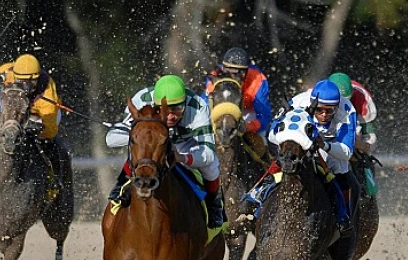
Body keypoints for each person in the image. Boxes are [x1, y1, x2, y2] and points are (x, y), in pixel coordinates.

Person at [105, 74, 224, 228]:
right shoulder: (142, 100)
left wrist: (182, 158)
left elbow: (207, 154)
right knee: (140, 151)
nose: (170, 116)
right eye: (164, 110)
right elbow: (111, 139)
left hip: (184, 143)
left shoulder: (198, 106)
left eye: (177, 109)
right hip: (152, 142)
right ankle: (120, 189)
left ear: (185, 104)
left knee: (211, 165)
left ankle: (214, 204)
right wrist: (143, 134)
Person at [252, 78, 357, 234]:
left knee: (342, 173)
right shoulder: (297, 102)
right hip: (298, 144)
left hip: (329, 145)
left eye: (330, 111)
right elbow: (272, 133)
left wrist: (324, 145)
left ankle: (343, 217)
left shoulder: (348, 110)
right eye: (320, 109)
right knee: (280, 164)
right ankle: (256, 197)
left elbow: (347, 152)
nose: (324, 115)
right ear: (313, 103)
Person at [0, 53, 71, 188]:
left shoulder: (47, 89)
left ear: (37, 79)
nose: (25, 87)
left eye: (30, 83)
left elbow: (50, 129)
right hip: (16, 111)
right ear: (14, 75)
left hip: (39, 114)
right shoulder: (5, 72)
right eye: (20, 82)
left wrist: (36, 129)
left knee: (49, 141)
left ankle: (54, 177)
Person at [204, 47, 271, 158]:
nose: (231, 77)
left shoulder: (258, 80)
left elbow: (265, 116)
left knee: (262, 142)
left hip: (248, 112)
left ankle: (268, 169)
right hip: (220, 113)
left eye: (235, 73)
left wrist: (248, 127)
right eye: (227, 72)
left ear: (245, 72)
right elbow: (206, 106)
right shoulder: (214, 76)